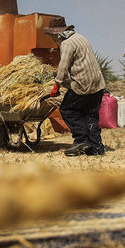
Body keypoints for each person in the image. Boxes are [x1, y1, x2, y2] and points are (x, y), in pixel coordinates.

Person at [44, 17, 106, 156]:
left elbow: (63, 66)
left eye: (52, 36)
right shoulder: (80, 37)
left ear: (57, 34)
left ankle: (81, 140)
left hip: (83, 84)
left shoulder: (67, 43)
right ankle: (96, 147)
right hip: (97, 83)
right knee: (90, 113)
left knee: (68, 109)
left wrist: (57, 85)